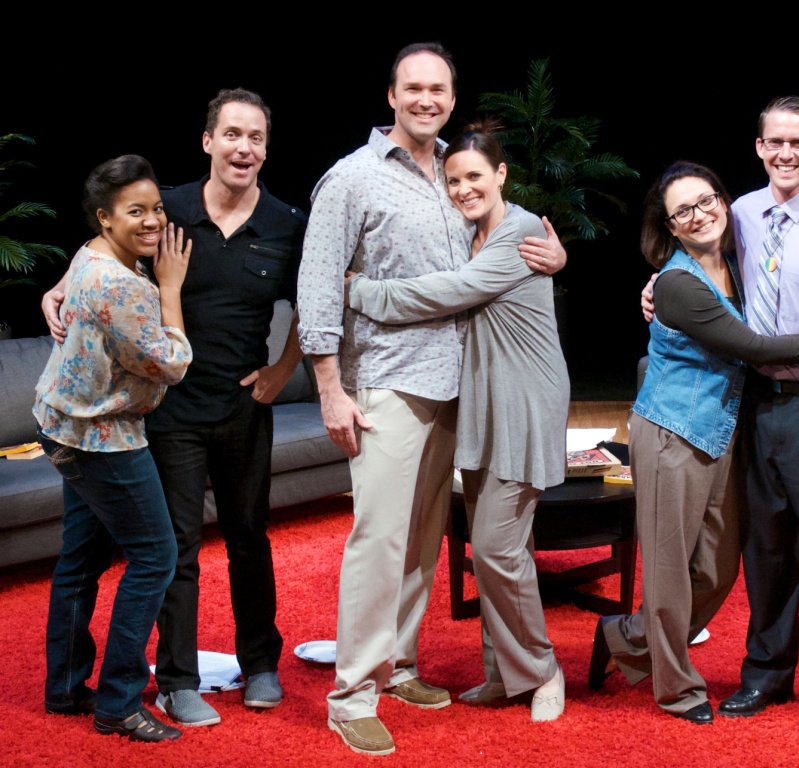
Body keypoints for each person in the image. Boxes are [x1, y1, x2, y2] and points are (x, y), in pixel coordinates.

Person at [296, 43, 566, 756]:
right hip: (389, 380)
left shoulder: (454, 170)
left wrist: (555, 253)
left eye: (438, 89)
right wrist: (329, 388)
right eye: (413, 87)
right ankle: (352, 694)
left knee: (421, 544)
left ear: (450, 97)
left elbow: (496, 253)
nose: (425, 99)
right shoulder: (351, 178)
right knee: (379, 541)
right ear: (391, 95)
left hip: (457, 386)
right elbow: (318, 285)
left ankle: (398, 665)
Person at [43, 88, 307, 727]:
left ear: (266, 149)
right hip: (171, 410)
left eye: (256, 138)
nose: (244, 148)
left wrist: (283, 370)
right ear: (208, 141)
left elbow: (315, 303)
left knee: (250, 538)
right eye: (232, 134)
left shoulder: (286, 224)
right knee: (177, 548)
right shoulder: (169, 211)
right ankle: (178, 679)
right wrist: (57, 287)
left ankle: (261, 664)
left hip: (244, 405)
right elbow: (104, 245)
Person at [642, 98, 799, 737]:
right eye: (774, 141)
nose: (786, 153)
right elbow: (694, 269)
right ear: (758, 147)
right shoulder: (741, 216)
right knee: (766, 552)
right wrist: (653, 290)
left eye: (798, 142)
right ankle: (766, 672)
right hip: (755, 408)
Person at [590, 160, 799, 724]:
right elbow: (753, 348)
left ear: (723, 202)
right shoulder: (677, 284)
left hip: (721, 433)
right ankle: (675, 687)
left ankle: (625, 636)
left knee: (717, 568)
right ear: (670, 227)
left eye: (706, 200)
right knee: (668, 574)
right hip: (672, 434)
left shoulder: (736, 262)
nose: (699, 215)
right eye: (682, 211)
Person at [346, 122, 569, 724]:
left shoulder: (521, 230)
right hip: (481, 401)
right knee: (505, 544)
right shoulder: (468, 232)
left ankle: (542, 669)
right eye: (453, 180)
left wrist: (360, 291)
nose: (464, 189)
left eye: (475, 176)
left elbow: (449, 291)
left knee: (495, 547)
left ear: (501, 174)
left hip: (523, 401)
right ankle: (505, 674)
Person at [36, 155, 192, 742]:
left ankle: (65, 687)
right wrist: (170, 287)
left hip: (63, 428)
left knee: (80, 561)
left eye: (157, 208)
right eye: (136, 212)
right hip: (102, 440)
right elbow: (172, 364)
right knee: (156, 557)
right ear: (105, 217)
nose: (153, 221)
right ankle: (119, 703)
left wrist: (51, 293)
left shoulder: (91, 254)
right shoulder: (121, 284)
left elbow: (73, 279)